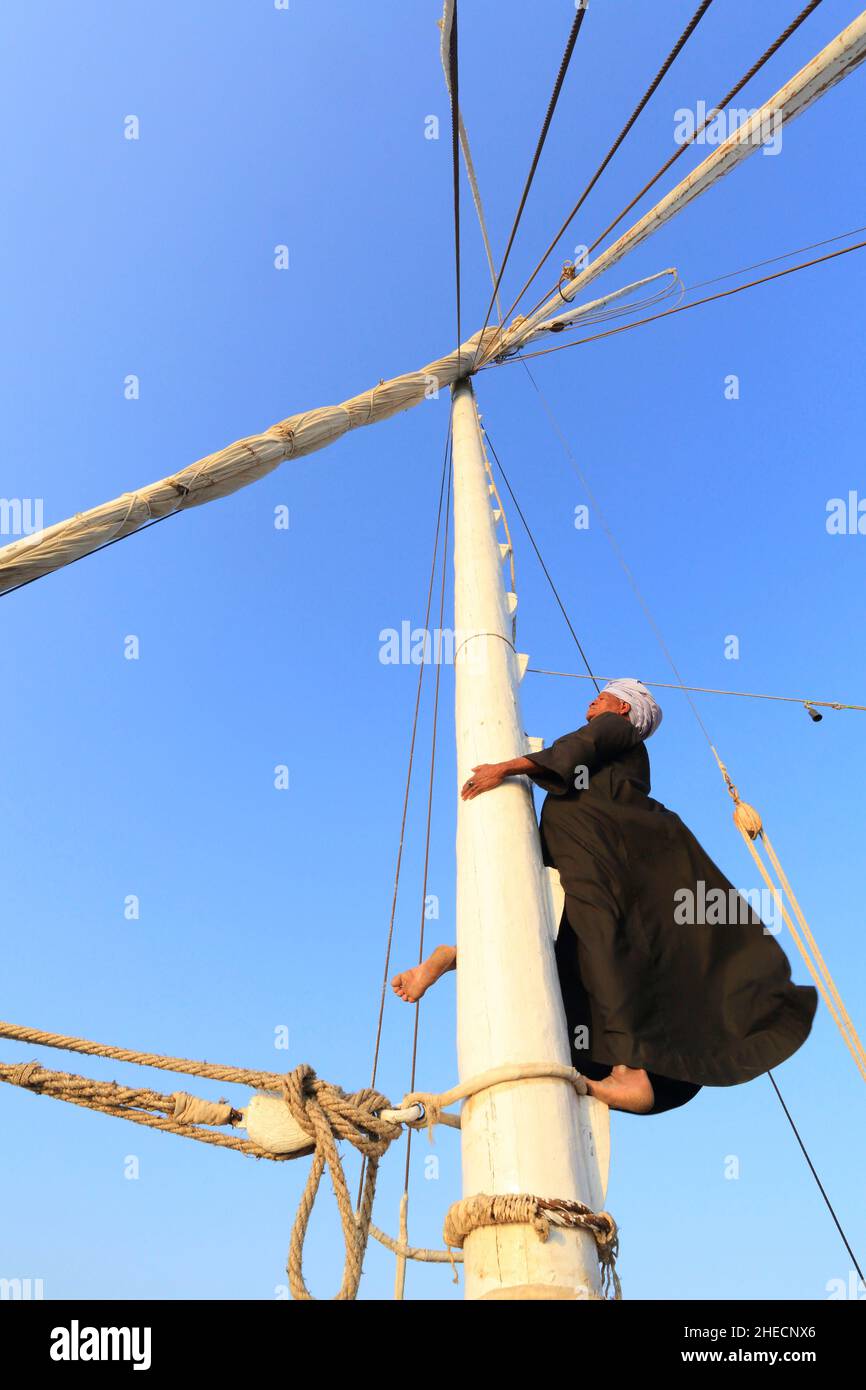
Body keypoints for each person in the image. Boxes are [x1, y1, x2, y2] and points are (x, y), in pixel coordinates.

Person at [392, 678, 817, 1116]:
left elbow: (581, 745)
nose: (596, 698)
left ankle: (464, 957)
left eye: (610, 694)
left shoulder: (621, 729)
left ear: (628, 710)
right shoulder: (612, 746)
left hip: (605, 850)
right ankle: (627, 1067)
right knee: (581, 955)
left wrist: (508, 767)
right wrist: (521, 768)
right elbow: (576, 753)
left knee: (572, 964)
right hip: (591, 852)